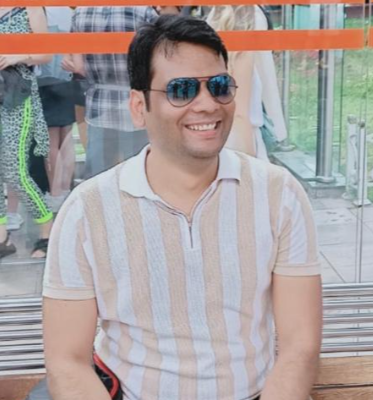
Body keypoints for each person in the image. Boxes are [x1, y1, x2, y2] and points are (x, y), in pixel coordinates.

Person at [43, 15, 322, 400]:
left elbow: (299, 347)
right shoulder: (87, 211)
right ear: (139, 106)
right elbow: (67, 362)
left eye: (219, 87)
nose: (207, 105)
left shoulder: (279, 194)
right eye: (182, 90)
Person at [61, 6, 157, 179]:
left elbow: (79, 67)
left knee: (99, 178)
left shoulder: (81, 12)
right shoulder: (142, 11)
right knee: (139, 174)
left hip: (99, 106)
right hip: (135, 106)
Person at [0, 6, 53, 259]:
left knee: (15, 170)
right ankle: (1, 237)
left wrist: (17, 56)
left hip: (17, 95)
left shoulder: (30, 8)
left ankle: (48, 230)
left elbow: (46, 54)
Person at [207, 5, 288, 159]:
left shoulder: (212, 53)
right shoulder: (242, 55)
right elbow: (240, 114)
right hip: (240, 140)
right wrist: (251, 163)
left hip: (216, 138)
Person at [37, 6, 76, 212]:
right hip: (67, 78)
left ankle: (54, 193)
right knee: (66, 137)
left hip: (45, 80)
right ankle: (65, 190)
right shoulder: (68, 10)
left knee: (50, 141)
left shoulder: (39, 10)